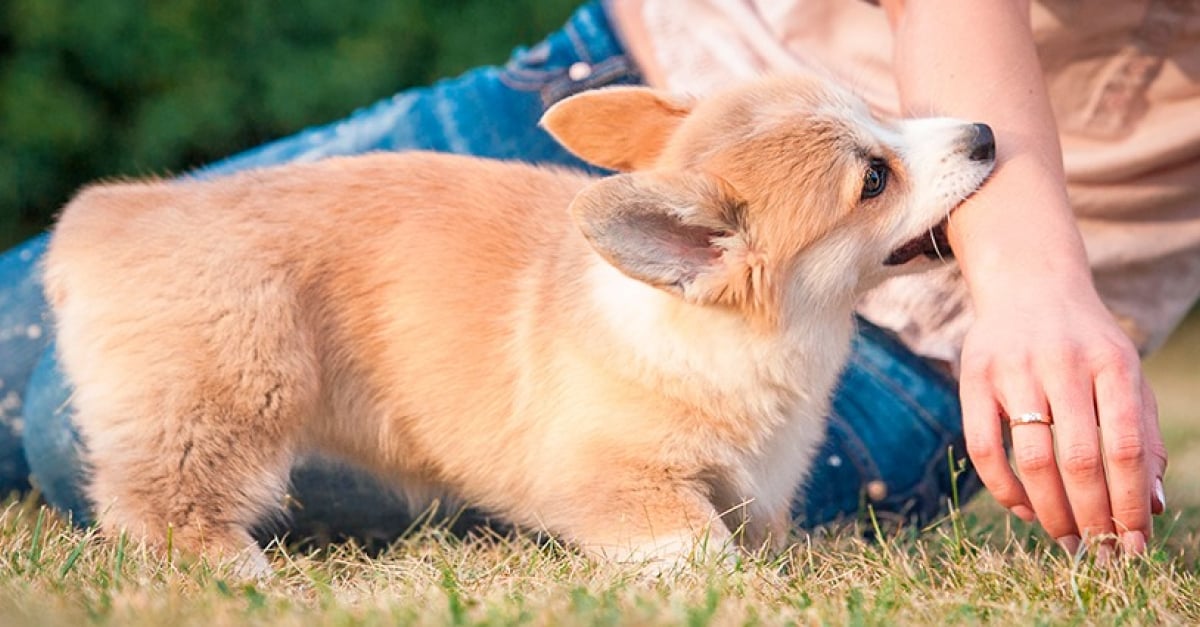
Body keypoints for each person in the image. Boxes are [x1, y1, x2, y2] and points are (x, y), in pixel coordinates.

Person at [1, 0, 1192, 554]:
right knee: (122, 312)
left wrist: (1030, 281)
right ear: (698, 255)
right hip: (649, 85)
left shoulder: (763, 284)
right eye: (883, 169)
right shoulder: (696, 230)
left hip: (915, 326)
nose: (957, 145)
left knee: (69, 428)